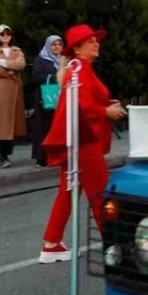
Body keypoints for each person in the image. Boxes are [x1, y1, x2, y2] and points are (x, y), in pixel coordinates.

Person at [39, 24, 127, 263]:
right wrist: (105, 110)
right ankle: (113, 243)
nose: (96, 43)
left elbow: (82, 100)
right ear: (77, 48)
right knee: (101, 192)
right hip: (84, 140)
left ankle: (51, 243)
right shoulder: (79, 68)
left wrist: (106, 103)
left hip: (78, 138)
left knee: (68, 192)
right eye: (90, 41)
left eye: (96, 40)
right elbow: (81, 103)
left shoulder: (78, 67)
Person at [0, 25, 26, 169]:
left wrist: (3, 62)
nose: (5, 35)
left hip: (14, 91)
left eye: (8, 33)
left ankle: (5, 153)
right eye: (2, 33)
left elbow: (21, 64)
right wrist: (9, 70)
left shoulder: (17, 50)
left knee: (12, 124)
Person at [30, 35, 63, 167]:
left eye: (59, 44)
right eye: (53, 44)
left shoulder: (64, 60)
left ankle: (58, 155)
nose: (56, 47)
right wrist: (55, 77)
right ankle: (42, 157)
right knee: (44, 127)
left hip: (61, 98)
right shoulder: (42, 59)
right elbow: (35, 77)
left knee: (58, 127)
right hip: (46, 98)